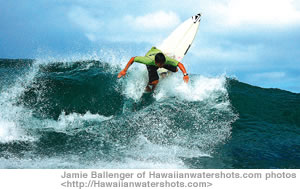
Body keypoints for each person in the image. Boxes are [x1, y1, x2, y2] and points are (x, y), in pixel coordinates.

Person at [118, 47, 189, 92]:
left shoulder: (165, 60)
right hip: (151, 60)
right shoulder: (148, 61)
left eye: (162, 64)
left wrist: (185, 75)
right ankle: (146, 84)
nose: (161, 66)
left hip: (157, 53)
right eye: (160, 65)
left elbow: (180, 64)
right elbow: (133, 59)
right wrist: (124, 70)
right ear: (156, 62)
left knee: (176, 69)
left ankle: (163, 75)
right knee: (155, 82)